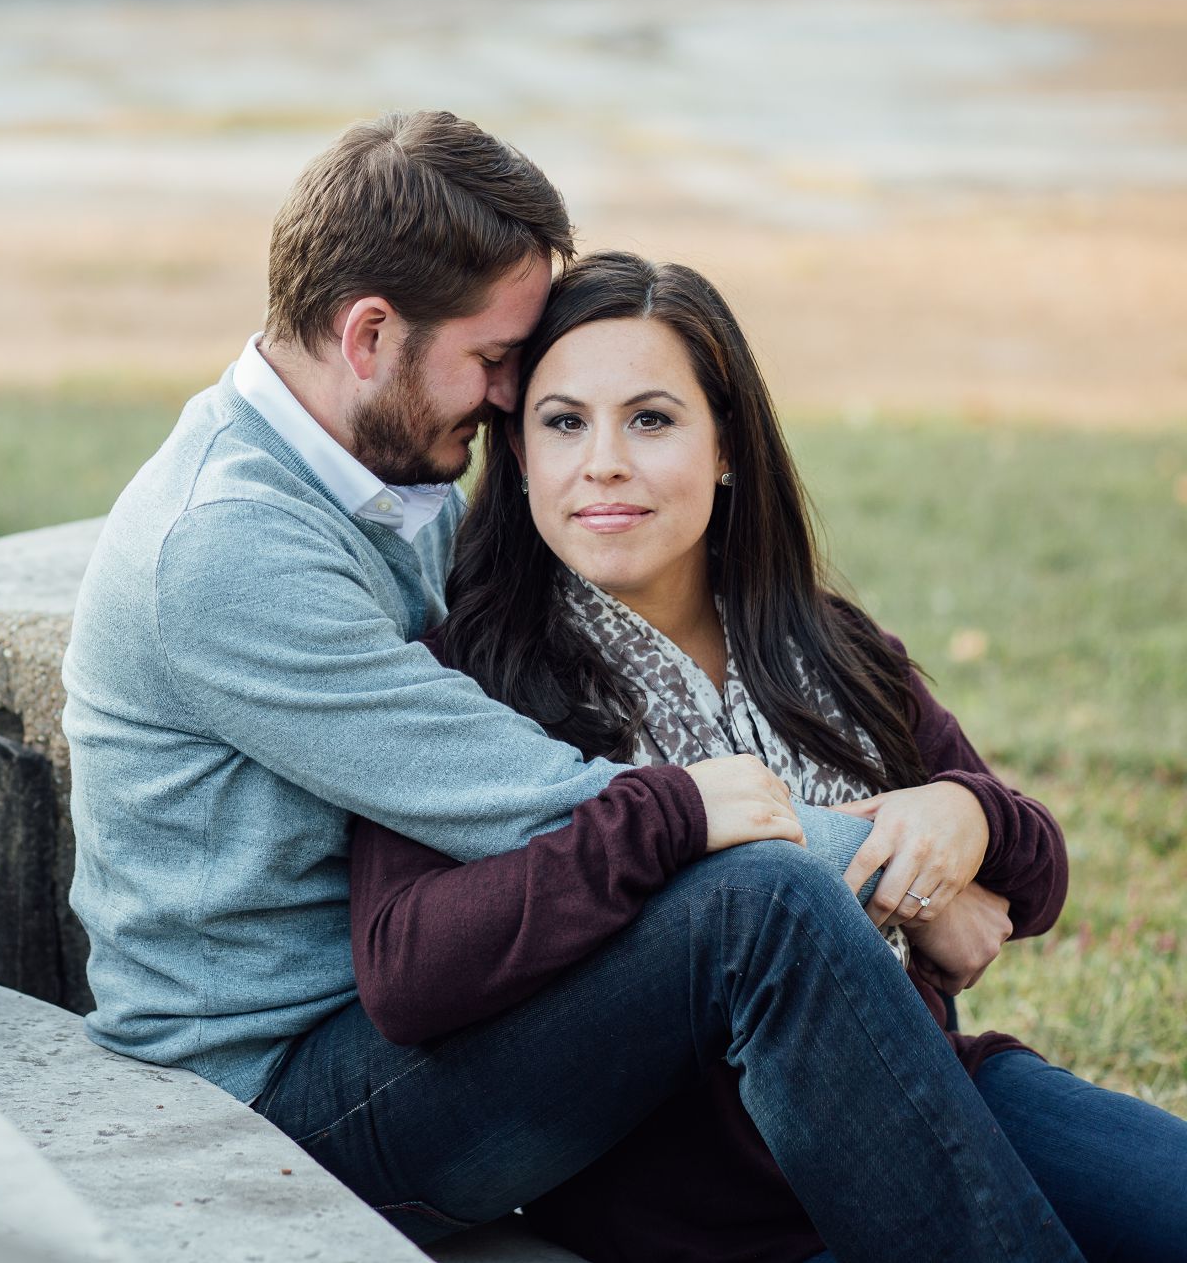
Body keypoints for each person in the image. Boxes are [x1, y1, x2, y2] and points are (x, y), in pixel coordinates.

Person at [62, 111, 1081, 1260]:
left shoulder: (374, 479)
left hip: (405, 1038)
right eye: (496, 361)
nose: (506, 400)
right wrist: (894, 872)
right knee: (761, 899)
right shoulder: (226, 550)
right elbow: (522, 793)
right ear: (366, 335)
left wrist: (957, 819)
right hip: (269, 1099)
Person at [340, 251, 1187, 1260]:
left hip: (941, 1088)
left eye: (649, 419)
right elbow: (409, 967)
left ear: (727, 445)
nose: (601, 461)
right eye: (562, 422)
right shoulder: (471, 674)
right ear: (517, 453)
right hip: (711, 1208)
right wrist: (669, 835)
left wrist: (965, 818)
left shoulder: (820, 643)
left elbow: (1030, 881)